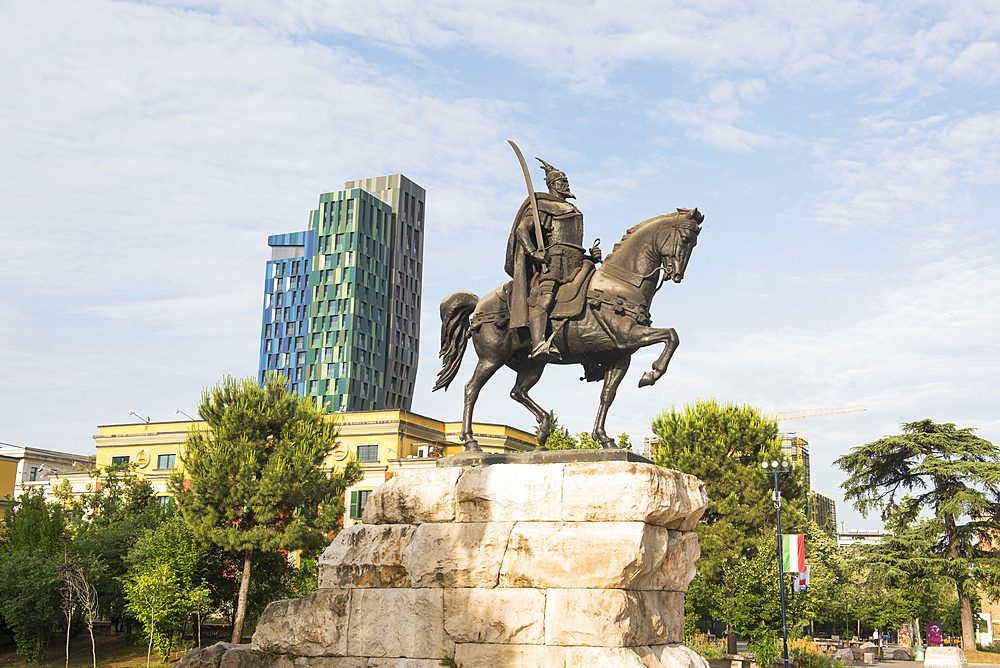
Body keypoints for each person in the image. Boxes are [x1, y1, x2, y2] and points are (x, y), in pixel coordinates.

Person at [504, 158, 601, 360]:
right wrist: (533, 252)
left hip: (577, 262)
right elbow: (522, 230)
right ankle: (539, 343)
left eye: (566, 180)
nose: (566, 184)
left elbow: (569, 243)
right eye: (562, 181)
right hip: (554, 263)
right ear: (552, 185)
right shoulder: (544, 206)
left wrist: (591, 256)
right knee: (545, 297)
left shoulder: (573, 210)